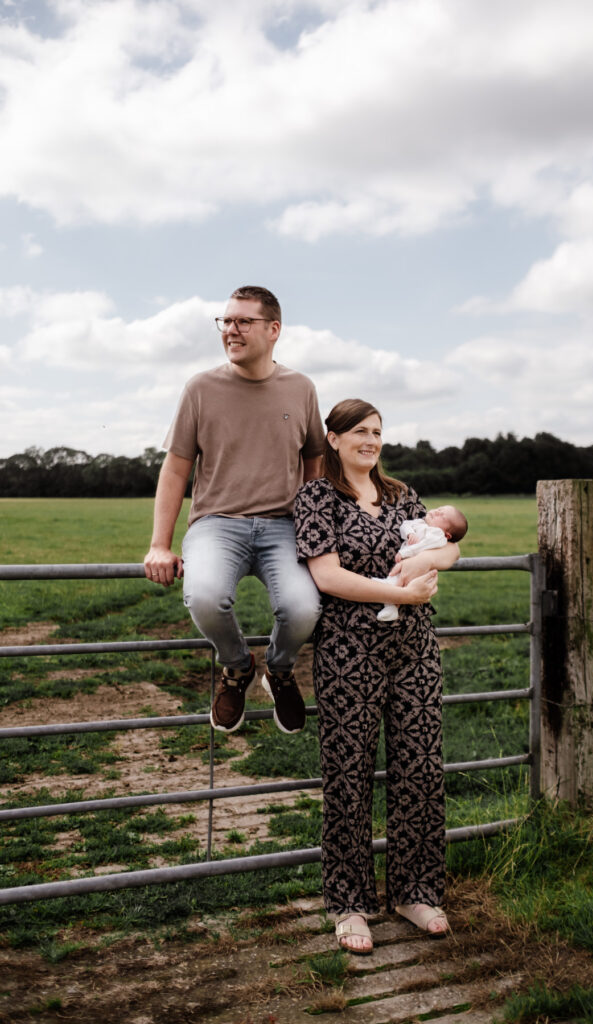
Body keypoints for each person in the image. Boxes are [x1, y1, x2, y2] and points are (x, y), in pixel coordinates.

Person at [294, 399, 461, 955]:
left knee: (419, 766)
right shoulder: (318, 496)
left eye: (377, 431)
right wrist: (401, 591)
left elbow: (449, 545)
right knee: (349, 772)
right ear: (333, 438)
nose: (370, 440)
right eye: (359, 431)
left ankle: (416, 891)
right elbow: (327, 575)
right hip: (348, 652)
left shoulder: (401, 495)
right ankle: (350, 902)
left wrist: (430, 563)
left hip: (413, 650)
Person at [143, 285, 324, 736]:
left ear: (274, 329)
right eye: (225, 321)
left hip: (284, 525)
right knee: (204, 596)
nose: (230, 330)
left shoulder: (301, 388)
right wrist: (159, 545)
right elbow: (175, 470)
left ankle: (279, 670)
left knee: (303, 608)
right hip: (216, 525)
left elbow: (315, 461)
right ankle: (238, 667)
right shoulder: (200, 388)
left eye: (243, 321)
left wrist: (310, 526)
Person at [377, 504, 468, 623]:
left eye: (442, 516)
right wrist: (410, 533)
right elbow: (405, 525)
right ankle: (387, 598)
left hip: (412, 563)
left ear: (447, 535)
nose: (435, 512)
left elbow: (421, 546)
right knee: (398, 580)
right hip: (404, 561)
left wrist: (404, 553)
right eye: (439, 509)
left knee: (404, 582)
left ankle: (391, 606)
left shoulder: (437, 536)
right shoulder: (420, 522)